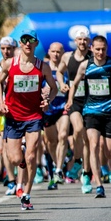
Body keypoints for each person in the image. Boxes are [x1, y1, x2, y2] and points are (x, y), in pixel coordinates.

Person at [0, 29, 57, 209]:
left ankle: (27, 195)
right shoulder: (9, 64)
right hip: (13, 116)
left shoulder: (42, 66)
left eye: (32, 40)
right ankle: (21, 160)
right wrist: (0, 102)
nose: (28, 43)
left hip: (34, 116)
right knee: (15, 159)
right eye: (24, 40)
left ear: (36, 44)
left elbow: (54, 88)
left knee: (31, 156)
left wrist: (47, 102)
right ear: (20, 44)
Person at [66, 35, 111, 198]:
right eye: (97, 49)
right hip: (91, 111)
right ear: (92, 49)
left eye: (103, 49)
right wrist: (70, 99)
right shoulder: (85, 66)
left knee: (109, 151)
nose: (100, 52)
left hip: (110, 111)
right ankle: (98, 185)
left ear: (107, 49)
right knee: (94, 144)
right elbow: (74, 83)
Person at [60, 27, 92, 194]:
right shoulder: (67, 57)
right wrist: (62, 84)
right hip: (74, 100)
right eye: (79, 39)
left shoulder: (93, 58)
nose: (82, 42)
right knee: (78, 129)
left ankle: (85, 173)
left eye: (85, 39)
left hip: (91, 101)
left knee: (87, 139)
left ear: (89, 41)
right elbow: (59, 72)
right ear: (75, 41)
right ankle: (78, 159)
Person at [42, 42, 70, 189]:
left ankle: (59, 169)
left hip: (62, 107)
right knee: (51, 143)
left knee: (63, 135)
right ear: (49, 52)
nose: (56, 54)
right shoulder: (43, 67)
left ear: (63, 52)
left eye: (58, 52)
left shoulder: (66, 69)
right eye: (53, 51)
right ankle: (55, 164)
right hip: (48, 109)